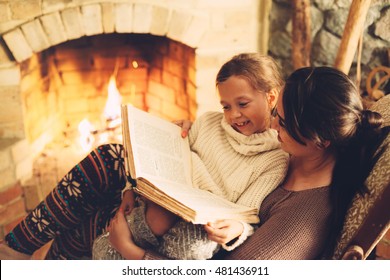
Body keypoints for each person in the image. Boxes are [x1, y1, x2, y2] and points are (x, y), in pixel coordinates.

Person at [0, 53, 288, 260]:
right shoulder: (210, 123)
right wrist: (130, 187)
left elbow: (248, 214)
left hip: (194, 225)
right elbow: (172, 157)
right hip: (157, 199)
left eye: (242, 104)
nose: (233, 115)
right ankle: (17, 247)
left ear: (271, 97)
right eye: (226, 105)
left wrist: (236, 229)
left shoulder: (275, 157)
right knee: (108, 156)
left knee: (88, 227)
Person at [104, 66, 388, 260]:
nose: (272, 124)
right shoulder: (297, 155)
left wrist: (131, 252)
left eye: (283, 122)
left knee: (98, 227)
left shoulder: (303, 221)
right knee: (108, 160)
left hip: (175, 251)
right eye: (276, 112)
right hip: (172, 222)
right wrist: (188, 136)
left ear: (321, 141)